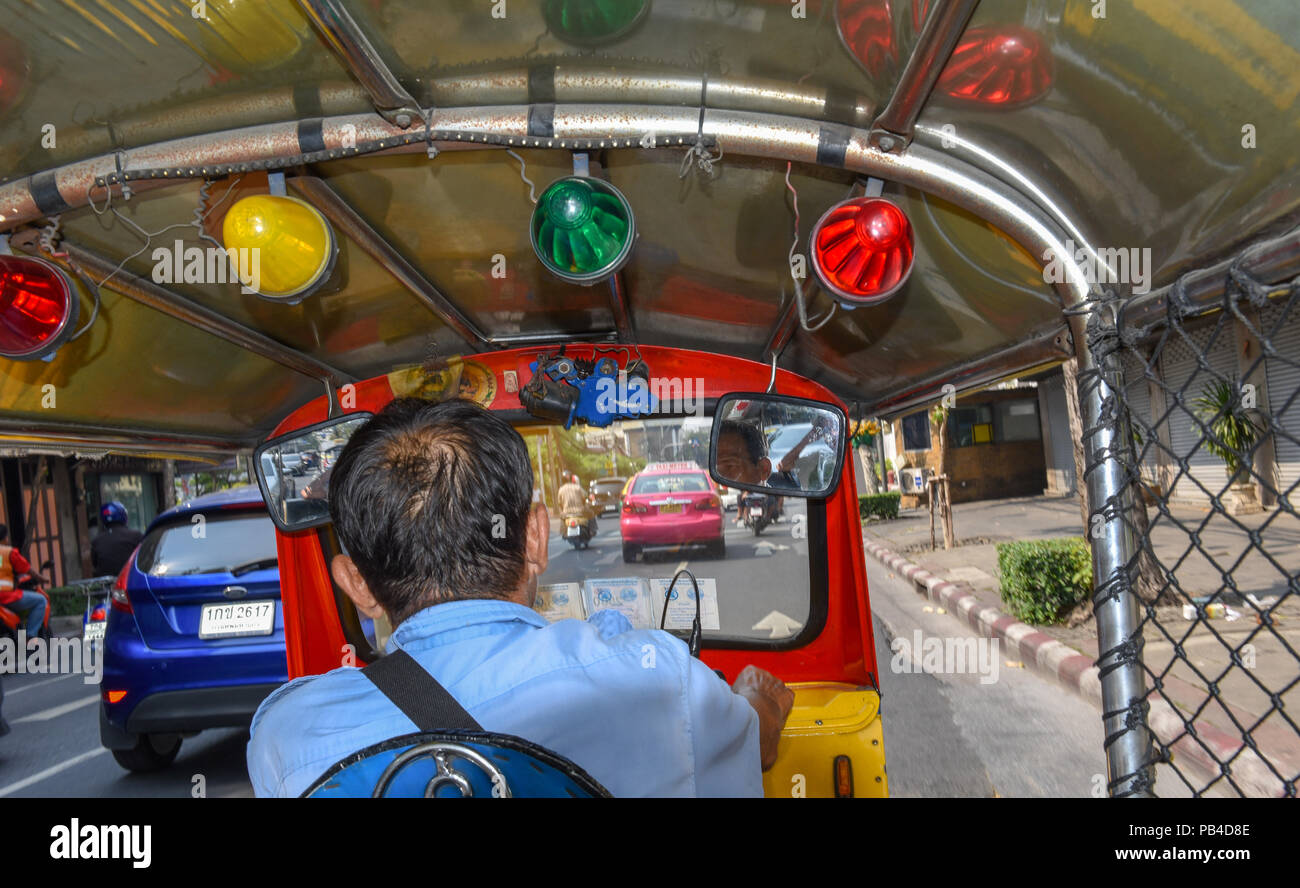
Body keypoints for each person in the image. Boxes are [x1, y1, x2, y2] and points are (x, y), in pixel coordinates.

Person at [246, 398, 794, 797]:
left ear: (356, 584)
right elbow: (753, 745)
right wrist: (758, 699)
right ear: (535, 537)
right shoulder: (656, 684)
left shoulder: (287, 734)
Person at [0, 524, 50, 639]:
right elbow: (27, 568)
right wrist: (42, 578)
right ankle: (30, 637)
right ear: (5, 538)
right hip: (6, 597)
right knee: (41, 600)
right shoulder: (9, 552)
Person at [91, 502, 144, 577]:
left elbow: (95, 563)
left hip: (106, 584)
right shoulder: (136, 536)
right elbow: (146, 557)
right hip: (130, 580)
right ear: (124, 515)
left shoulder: (96, 541)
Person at [556, 472, 596, 537]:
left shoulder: (561, 490)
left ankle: (563, 532)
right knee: (591, 513)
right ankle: (592, 530)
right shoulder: (578, 487)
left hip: (566, 513)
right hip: (580, 511)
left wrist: (562, 511)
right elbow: (585, 496)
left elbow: (559, 503)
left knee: (562, 517)